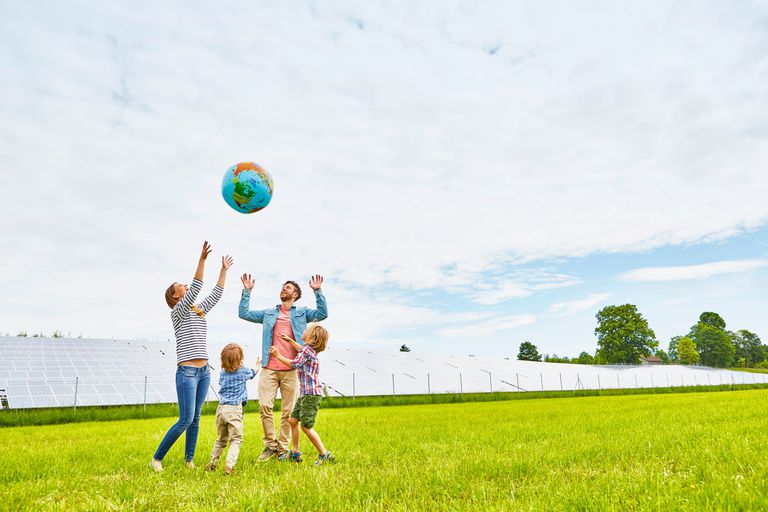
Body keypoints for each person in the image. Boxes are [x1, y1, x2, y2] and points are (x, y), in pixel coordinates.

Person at [150, 241, 233, 472]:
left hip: (204, 371)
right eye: (181, 286)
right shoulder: (177, 312)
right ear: (175, 296)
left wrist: (223, 270)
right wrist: (202, 260)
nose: (185, 286)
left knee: (196, 418)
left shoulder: (198, 311)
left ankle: (189, 461)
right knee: (185, 419)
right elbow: (196, 286)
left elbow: (215, 295)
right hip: (186, 372)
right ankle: (156, 459)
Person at [238, 273, 328, 461]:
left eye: (287, 287)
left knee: (288, 413)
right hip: (269, 368)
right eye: (282, 287)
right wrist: (247, 291)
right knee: (264, 407)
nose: (283, 289)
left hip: (292, 370)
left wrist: (318, 291)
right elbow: (244, 314)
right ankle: (270, 446)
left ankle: (283, 448)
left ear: (295, 294)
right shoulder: (269, 313)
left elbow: (322, 314)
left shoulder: (302, 312)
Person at [269, 323, 334, 465]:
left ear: (311, 338)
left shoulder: (307, 351)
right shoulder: (308, 350)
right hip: (305, 394)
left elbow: (294, 364)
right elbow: (301, 349)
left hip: (311, 395)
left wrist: (277, 355)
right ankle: (295, 452)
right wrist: (290, 341)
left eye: (307, 330)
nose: (304, 331)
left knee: (306, 426)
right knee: (292, 421)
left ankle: (324, 454)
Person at [205, 343, 260, 475]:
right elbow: (253, 373)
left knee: (221, 439)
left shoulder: (222, 373)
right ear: (240, 359)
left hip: (221, 409)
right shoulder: (243, 371)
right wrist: (258, 363)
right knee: (235, 439)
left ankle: (213, 463)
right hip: (234, 409)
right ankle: (229, 466)